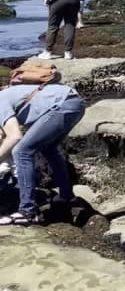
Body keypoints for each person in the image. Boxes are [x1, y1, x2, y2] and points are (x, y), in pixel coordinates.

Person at [0, 80, 85, 226]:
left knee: (21, 151)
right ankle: (67, 196)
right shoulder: (5, 95)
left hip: (62, 105)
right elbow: (2, 134)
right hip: (75, 102)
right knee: (48, 148)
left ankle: (28, 211)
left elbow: (14, 136)